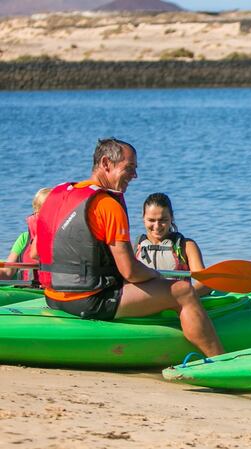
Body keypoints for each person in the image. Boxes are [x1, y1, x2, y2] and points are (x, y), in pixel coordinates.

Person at [35, 138, 223, 356]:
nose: (135, 176)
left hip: (53, 295)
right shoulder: (107, 204)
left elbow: (38, 252)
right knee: (183, 291)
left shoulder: (58, 195)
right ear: (106, 163)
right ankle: (219, 359)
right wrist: (157, 278)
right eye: (129, 168)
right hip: (90, 301)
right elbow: (130, 272)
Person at [135, 192, 212, 297]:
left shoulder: (187, 246)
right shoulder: (134, 248)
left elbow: (205, 284)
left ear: (171, 217)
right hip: (144, 304)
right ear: (143, 218)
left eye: (163, 220)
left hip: (177, 302)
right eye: (151, 220)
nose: (157, 226)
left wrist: (181, 297)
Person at [0, 187, 51, 281]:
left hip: (50, 289)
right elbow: (7, 272)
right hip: (28, 289)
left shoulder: (62, 237)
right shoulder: (24, 238)